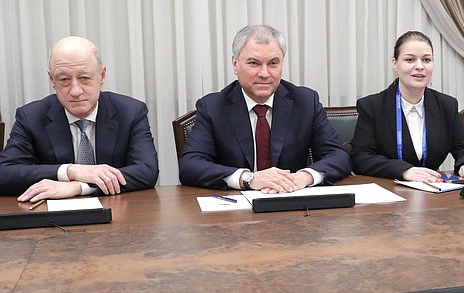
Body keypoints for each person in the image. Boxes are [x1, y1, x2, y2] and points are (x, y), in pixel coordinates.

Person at [178, 25, 350, 191]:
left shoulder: (305, 102)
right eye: (254, 63)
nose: (264, 73)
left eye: (273, 63)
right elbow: (190, 165)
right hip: (235, 209)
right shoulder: (213, 107)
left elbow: (338, 156)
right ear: (235, 64)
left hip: (291, 201)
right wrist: (249, 179)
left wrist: (302, 177)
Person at [0, 36, 159, 201]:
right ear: (52, 80)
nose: (75, 91)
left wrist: (80, 186)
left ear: (102, 76)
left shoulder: (130, 112)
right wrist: (69, 171)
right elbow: (4, 174)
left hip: (117, 214)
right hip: (53, 219)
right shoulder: (31, 117)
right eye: (64, 80)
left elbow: (147, 171)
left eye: (84, 78)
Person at [350, 31, 464, 182]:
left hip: (434, 194)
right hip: (390, 193)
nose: (419, 66)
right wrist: (403, 170)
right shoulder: (372, 106)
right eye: (410, 60)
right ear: (395, 63)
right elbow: (360, 158)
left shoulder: (446, 105)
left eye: (426, 60)